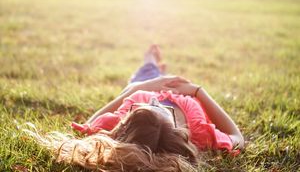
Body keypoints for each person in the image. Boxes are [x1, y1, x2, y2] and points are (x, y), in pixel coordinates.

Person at [28, 45, 244, 172]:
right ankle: (154, 62)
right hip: (183, 90)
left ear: (123, 127)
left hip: (145, 84)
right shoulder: (198, 132)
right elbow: (237, 137)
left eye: (144, 106)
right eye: (159, 108)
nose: (154, 101)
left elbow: (87, 125)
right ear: (177, 132)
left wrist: (138, 88)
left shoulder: (121, 115)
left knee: (146, 71)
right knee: (156, 72)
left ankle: (150, 58)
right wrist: (198, 91)